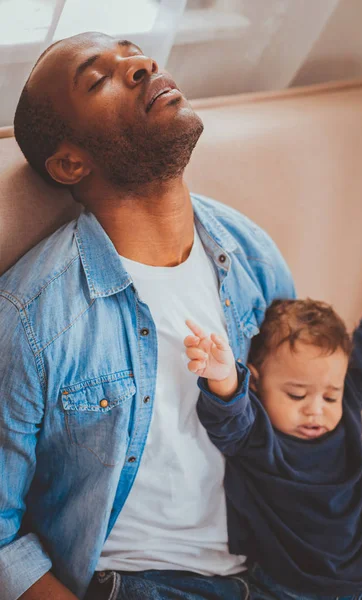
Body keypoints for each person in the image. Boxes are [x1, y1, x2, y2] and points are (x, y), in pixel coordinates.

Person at [0, 31, 296, 600]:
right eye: (98, 78)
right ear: (69, 163)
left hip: (290, 565)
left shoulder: (251, 252)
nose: (139, 64)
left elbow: (323, 424)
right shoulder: (30, 322)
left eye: (132, 50)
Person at [184, 253, 362, 599]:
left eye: (330, 397)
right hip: (290, 590)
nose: (316, 411)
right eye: (297, 395)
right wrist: (223, 378)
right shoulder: (256, 434)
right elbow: (227, 419)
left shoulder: (346, 407)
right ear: (255, 383)